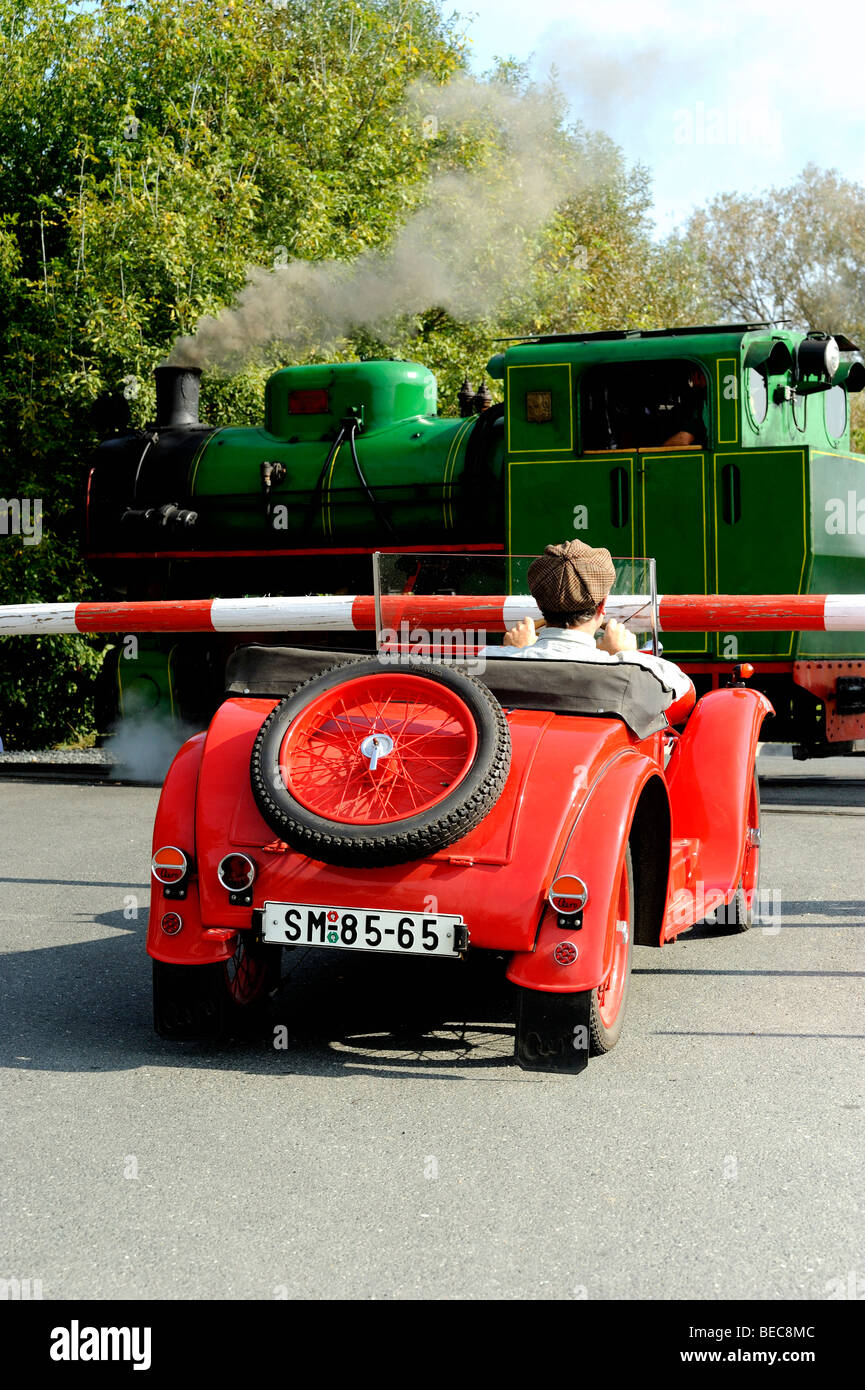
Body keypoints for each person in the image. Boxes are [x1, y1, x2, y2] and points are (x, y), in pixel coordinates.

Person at [487, 538, 695, 714]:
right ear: (603, 603)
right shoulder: (640, 672)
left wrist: (513, 652)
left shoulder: (488, 662)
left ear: (539, 603)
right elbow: (686, 697)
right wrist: (626, 655)